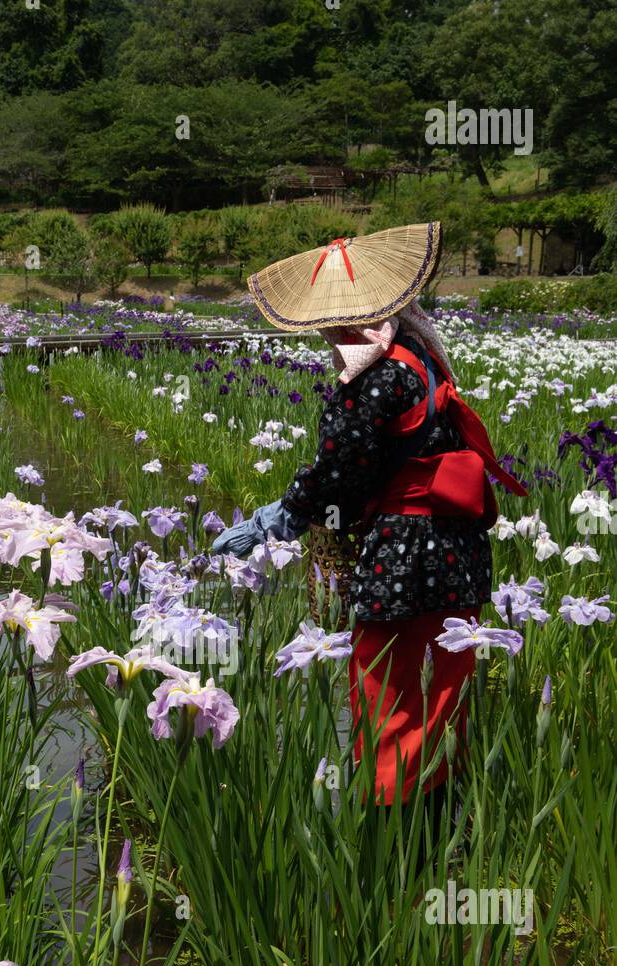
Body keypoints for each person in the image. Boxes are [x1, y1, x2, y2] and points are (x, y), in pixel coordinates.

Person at [213, 222, 527, 809]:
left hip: (405, 555)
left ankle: (387, 833)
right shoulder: (422, 359)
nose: (326, 337)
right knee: (443, 685)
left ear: (342, 322)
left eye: (328, 327)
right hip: (457, 550)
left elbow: (338, 473)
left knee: (385, 687)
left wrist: (277, 518)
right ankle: (439, 821)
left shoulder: (375, 380)